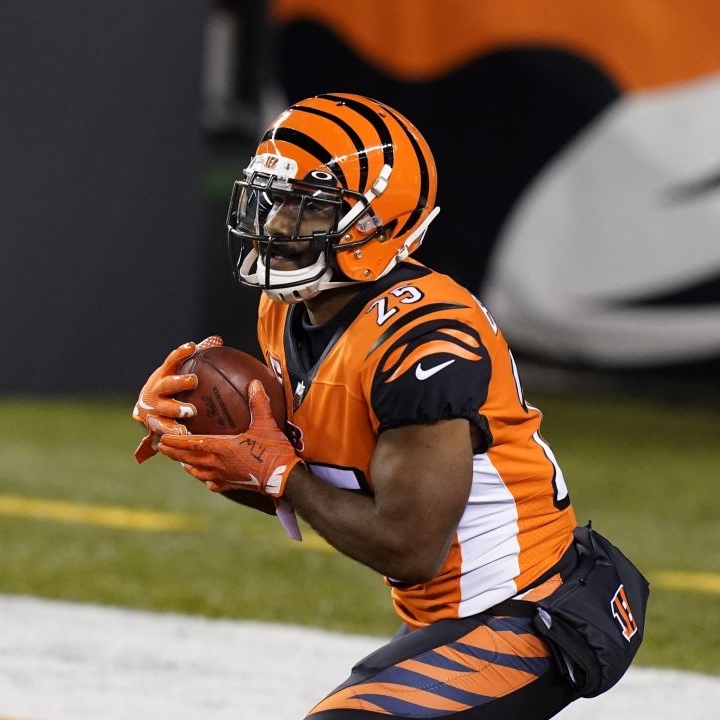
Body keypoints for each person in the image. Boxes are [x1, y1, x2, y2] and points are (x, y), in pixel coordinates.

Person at [134, 93, 583, 719]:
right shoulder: (287, 307)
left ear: (379, 221)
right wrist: (205, 441)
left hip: (533, 610)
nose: (277, 226)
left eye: (306, 209)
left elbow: (409, 544)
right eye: (273, 202)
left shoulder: (424, 338)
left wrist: (278, 473)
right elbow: (314, 483)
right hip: (451, 617)